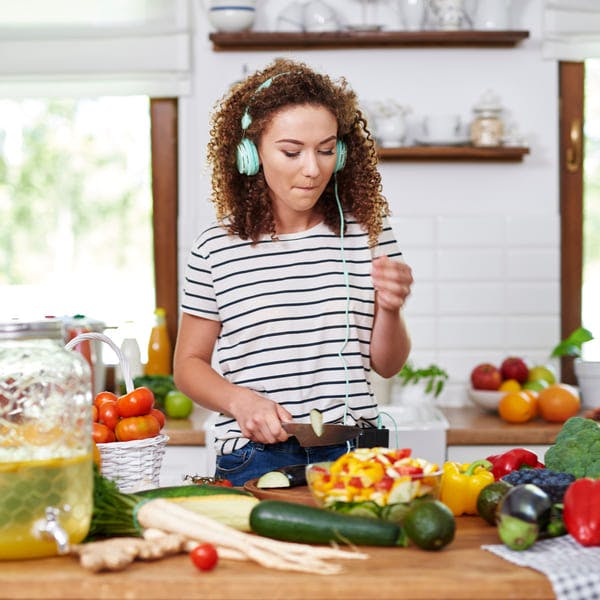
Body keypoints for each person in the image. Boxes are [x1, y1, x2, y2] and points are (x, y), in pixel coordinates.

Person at [173, 58, 413, 486]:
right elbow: (188, 365)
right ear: (251, 154)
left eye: (325, 150)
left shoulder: (368, 234)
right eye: (291, 151)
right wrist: (239, 401)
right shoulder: (215, 247)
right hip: (255, 457)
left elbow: (388, 365)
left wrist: (391, 309)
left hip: (357, 456)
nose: (312, 168)